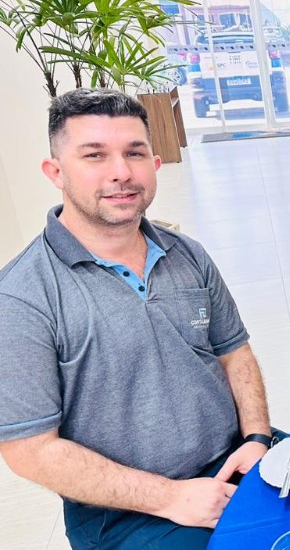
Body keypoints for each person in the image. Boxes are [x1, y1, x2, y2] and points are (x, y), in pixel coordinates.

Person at [0, 89, 273, 549]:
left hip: (232, 460)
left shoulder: (186, 253)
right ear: (56, 172)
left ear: (155, 163)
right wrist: (171, 497)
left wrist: (257, 436)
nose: (121, 173)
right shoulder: (21, 297)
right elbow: (30, 449)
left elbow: (234, 352)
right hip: (124, 513)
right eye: (95, 155)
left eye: (134, 152)